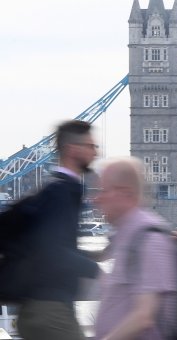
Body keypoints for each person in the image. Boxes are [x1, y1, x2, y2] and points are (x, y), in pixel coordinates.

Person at [16, 120, 101, 340]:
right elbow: (54, 251)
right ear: (73, 150)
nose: (96, 152)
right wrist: (99, 272)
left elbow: (55, 246)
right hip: (50, 312)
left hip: (39, 310)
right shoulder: (62, 192)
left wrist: (99, 254)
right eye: (91, 146)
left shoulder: (53, 189)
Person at [94, 157, 177, 339]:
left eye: (104, 191)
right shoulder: (127, 235)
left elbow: (144, 317)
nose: (96, 199)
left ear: (125, 193)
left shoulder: (149, 238)